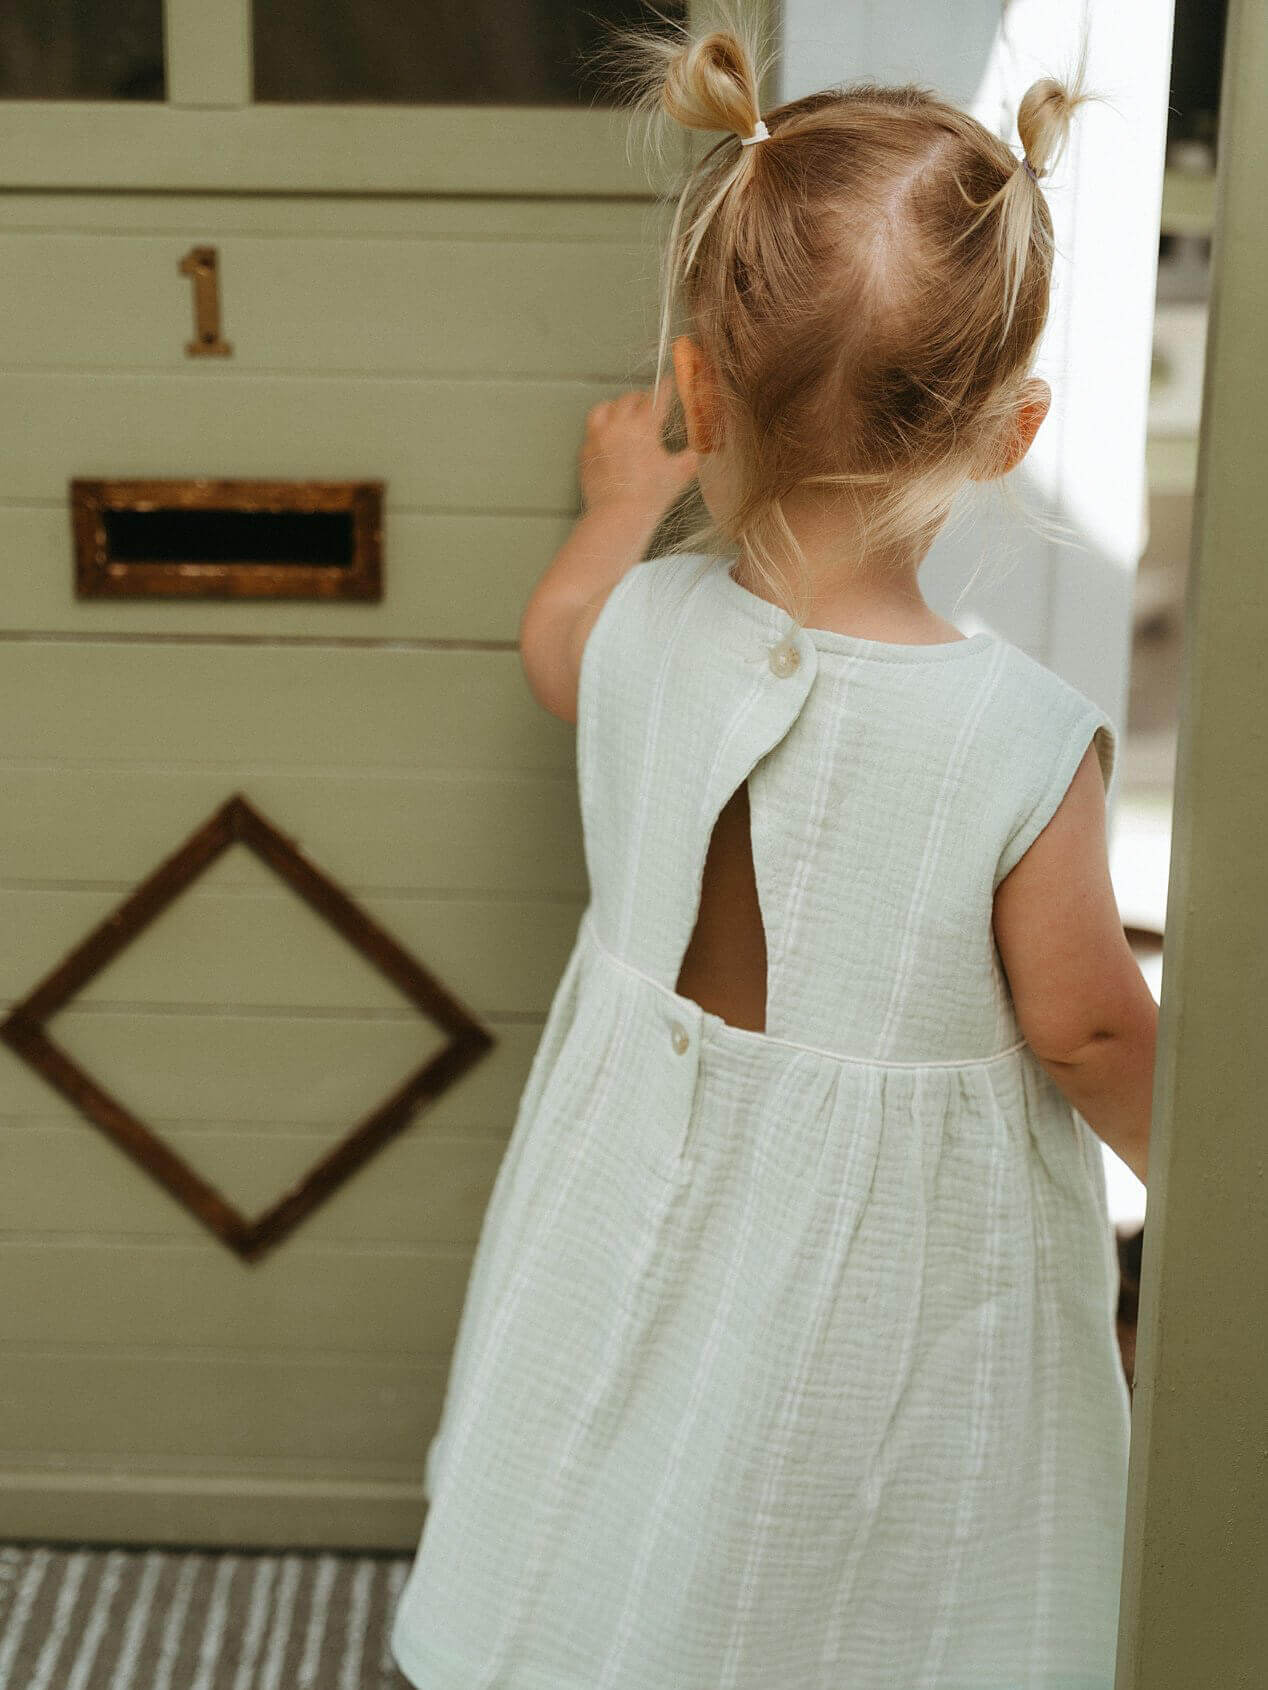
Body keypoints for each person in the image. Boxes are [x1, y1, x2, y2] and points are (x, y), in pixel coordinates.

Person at [391, 7, 1159, 1686]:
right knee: (864, 1548)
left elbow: (557, 639)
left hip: (636, 1178)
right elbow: (1088, 1018)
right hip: (897, 1258)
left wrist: (612, 504)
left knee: (622, 1472)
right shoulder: (1014, 736)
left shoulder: (646, 622)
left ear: (694, 390)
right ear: (1012, 429)